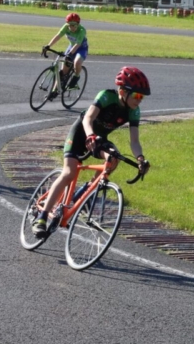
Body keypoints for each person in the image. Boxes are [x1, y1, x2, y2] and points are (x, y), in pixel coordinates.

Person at [31, 66, 152, 237]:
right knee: (69, 173)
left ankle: (82, 197)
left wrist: (140, 158)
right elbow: (88, 118)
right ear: (123, 91)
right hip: (81, 133)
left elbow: (134, 141)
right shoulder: (106, 96)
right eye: (137, 95)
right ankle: (42, 218)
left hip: (99, 139)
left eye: (143, 97)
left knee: (113, 159)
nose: (140, 100)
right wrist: (90, 136)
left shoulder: (134, 111)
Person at [42, 13, 88, 101]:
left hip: (81, 48)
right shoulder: (66, 27)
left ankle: (76, 76)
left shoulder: (82, 30)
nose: (71, 27)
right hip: (71, 47)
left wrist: (70, 54)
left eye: (73, 25)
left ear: (78, 24)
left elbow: (78, 44)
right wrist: (48, 45)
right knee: (62, 72)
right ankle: (54, 91)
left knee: (77, 62)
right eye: (69, 25)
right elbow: (58, 36)